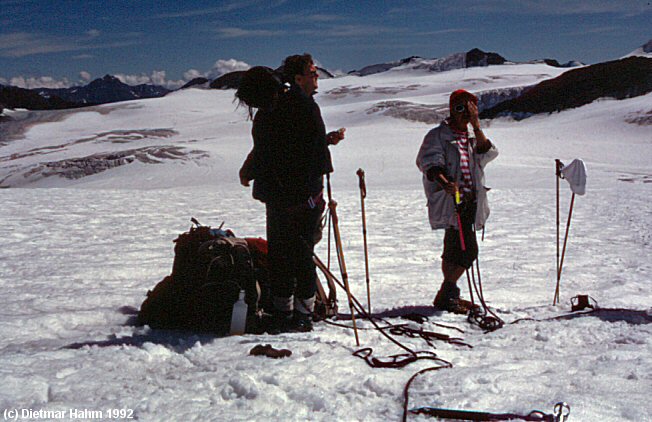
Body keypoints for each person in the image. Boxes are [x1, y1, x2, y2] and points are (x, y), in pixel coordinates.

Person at [237, 54, 345, 332]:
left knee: (282, 257)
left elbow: (273, 149)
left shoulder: (271, 111)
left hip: (281, 199)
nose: (317, 76)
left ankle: (285, 313)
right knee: (300, 257)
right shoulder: (302, 107)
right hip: (301, 199)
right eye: (313, 72)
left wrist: (249, 170)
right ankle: (301, 314)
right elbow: (306, 153)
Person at [416, 89, 498, 314]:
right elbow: (430, 163)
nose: (463, 113)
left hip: (471, 200)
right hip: (453, 200)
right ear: (451, 110)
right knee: (466, 250)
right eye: (459, 108)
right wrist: (444, 183)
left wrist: (477, 125)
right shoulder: (438, 136)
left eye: (468, 108)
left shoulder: (472, 138)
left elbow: (487, 153)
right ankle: (447, 293)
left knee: (454, 249)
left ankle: (449, 294)